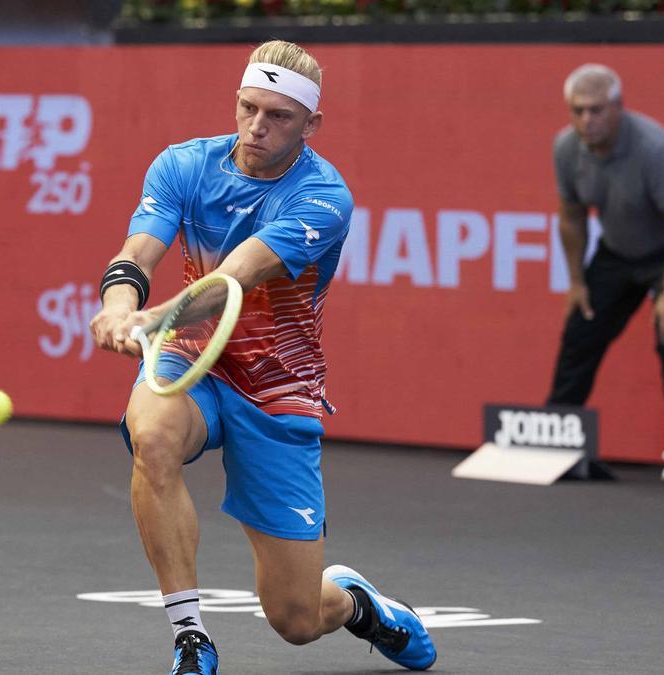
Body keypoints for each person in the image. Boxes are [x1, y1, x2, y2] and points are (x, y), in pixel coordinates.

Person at [90, 41, 436, 674]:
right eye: (249, 108)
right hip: (192, 359)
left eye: (278, 116)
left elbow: (234, 279)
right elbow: (136, 255)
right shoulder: (182, 165)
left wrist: (153, 317)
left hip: (277, 387)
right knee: (154, 435)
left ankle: (360, 605)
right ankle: (191, 638)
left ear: (312, 125)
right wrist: (117, 305)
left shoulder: (323, 197)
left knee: (297, 619)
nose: (256, 127)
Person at [547, 64, 664, 486]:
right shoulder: (566, 148)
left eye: (597, 110)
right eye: (579, 110)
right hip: (620, 247)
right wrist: (576, 282)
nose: (588, 119)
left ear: (619, 108)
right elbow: (571, 216)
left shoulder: (655, 148)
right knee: (582, 327)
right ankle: (552, 434)